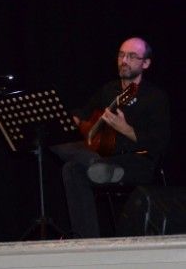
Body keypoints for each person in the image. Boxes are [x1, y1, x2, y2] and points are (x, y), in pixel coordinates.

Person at [52, 37, 170, 238]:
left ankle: (95, 164)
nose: (124, 60)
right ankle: (87, 240)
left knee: (72, 167)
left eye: (132, 56)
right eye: (121, 55)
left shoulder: (155, 97)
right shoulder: (109, 90)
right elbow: (85, 111)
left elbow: (159, 144)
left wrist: (125, 129)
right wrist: (76, 118)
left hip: (137, 160)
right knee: (59, 148)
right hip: (105, 158)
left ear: (146, 63)